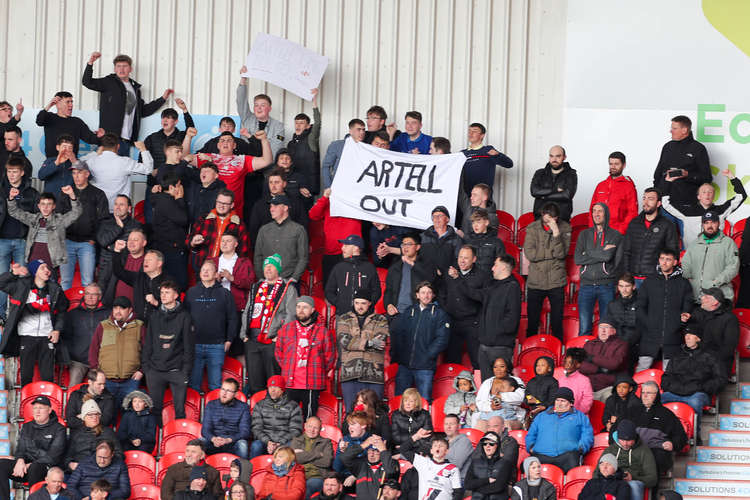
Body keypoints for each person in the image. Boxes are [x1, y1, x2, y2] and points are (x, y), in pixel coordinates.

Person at [83, 52, 171, 154]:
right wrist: (90, 63)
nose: (121, 69)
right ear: (115, 69)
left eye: (125, 66)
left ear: (130, 69)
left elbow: (143, 111)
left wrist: (163, 99)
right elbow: (87, 82)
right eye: (118, 66)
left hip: (126, 140)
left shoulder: (135, 88)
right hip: (109, 140)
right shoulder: (108, 82)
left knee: (123, 170)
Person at [0, 260, 68, 384]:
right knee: (26, 377)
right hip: (26, 337)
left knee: (48, 378)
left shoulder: (55, 289)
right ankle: (25, 403)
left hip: (46, 337)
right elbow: (1, 283)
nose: (47, 270)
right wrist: (13, 274)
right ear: (34, 272)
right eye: (42, 268)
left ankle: (46, 403)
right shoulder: (21, 286)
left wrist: (57, 329)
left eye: (47, 267)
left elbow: (63, 310)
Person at [456, 255, 521, 380]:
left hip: (500, 346)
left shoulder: (512, 287)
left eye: (495, 265)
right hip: (485, 345)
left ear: (503, 268)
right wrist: (459, 279)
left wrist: (494, 332)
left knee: (500, 384)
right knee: (486, 384)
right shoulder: (492, 285)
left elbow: (512, 318)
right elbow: (475, 294)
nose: (492, 268)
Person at [241, 253, 296, 394]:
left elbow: (291, 314)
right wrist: (244, 334)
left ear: (278, 269)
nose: (268, 269)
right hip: (252, 339)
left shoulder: (287, 288)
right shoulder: (256, 287)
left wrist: (280, 336)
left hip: (272, 340)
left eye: (271, 266)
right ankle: (257, 411)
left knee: (273, 380)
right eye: (266, 266)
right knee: (254, 380)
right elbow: (247, 310)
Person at [142, 280, 194, 425]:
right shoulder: (154, 315)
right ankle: (156, 444)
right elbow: (148, 343)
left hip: (176, 370)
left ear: (176, 295)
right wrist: (147, 369)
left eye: (167, 292)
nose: (163, 296)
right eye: (162, 293)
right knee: (155, 411)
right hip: (155, 370)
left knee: (179, 411)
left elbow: (189, 347)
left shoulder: (185, 317)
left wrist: (185, 371)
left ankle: (180, 444)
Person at [661, 324, 725, 442]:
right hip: (676, 391)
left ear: (698, 338)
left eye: (691, 335)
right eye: (686, 335)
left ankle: (695, 436)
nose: (687, 338)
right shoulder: (677, 355)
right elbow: (666, 378)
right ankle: (660, 435)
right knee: (656, 400)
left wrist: (702, 387)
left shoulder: (710, 356)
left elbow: (720, 379)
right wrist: (674, 387)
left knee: (695, 402)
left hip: (697, 393)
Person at [275, 296, 336, 417]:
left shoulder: (322, 331)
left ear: (312, 310)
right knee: (289, 418)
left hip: (312, 383)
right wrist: (288, 367)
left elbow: (330, 357)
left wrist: (318, 370)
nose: (301, 310)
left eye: (305, 307)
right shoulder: (286, 329)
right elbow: (278, 352)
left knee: (309, 418)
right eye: (298, 307)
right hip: (290, 382)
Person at [190, 129, 273, 217]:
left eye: (229, 140)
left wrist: (264, 140)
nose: (225, 143)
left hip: (234, 213)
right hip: (211, 211)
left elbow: (267, 161)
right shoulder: (208, 158)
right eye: (222, 140)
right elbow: (184, 158)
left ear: (234, 145)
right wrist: (188, 137)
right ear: (218, 145)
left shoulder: (243, 160)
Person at [635, 248, 694, 371]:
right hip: (650, 336)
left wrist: (682, 320)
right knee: (642, 369)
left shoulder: (683, 283)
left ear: (675, 262)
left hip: (673, 335)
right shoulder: (649, 281)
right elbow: (640, 306)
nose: (664, 262)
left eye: (668, 259)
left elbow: (688, 305)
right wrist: (648, 323)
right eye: (662, 259)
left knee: (670, 372)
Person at [390, 281, 450, 400]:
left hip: (425, 366)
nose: (426, 295)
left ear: (433, 295)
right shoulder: (409, 311)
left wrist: (427, 355)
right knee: (400, 400)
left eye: (429, 292)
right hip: (405, 365)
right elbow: (399, 334)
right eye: (423, 292)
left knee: (424, 401)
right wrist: (401, 354)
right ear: (417, 295)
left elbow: (442, 339)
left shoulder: (440, 314)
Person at [0, 396, 67, 500]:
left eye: (41, 408)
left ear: (49, 410)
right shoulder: (27, 427)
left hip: (47, 469)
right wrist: (20, 460)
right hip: (25, 468)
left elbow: (53, 457)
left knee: (35, 468)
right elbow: (20, 449)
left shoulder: (59, 429)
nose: (37, 411)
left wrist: (30, 464)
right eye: (35, 408)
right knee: (1, 464)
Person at [184, 261, 237, 391]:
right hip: (195, 345)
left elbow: (232, 318)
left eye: (209, 270)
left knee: (215, 385)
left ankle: (217, 411)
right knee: (193, 385)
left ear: (215, 274)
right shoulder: (191, 292)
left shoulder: (225, 294)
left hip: (217, 345)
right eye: (203, 270)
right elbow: (184, 317)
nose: (205, 272)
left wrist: (229, 339)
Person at [56, 160, 109, 290]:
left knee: (88, 282)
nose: (76, 176)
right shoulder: (65, 192)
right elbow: (58, 216)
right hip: (67, 241)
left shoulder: (98, 194)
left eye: (79, 173)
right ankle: (63, 310)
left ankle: (86, 311)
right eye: (74, 173)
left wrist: (94, 239)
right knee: (65, 282)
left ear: (87, 174)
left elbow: (104, 220)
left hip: (87, 243)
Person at [8, 186, 81, 276]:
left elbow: (76, 212)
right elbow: (14, 212)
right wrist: (11, 198)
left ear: (54, 206)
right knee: (32, 287)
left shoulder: (59, 220)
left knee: (50, 287)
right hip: (32, 261)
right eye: (43, 204)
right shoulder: (33, 219)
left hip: (51, 262)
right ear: (38, 206)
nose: (45, 207)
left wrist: (72, 195)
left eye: (49, 204)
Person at [523, 201, 571, 341]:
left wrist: (556, 233)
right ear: (543, 215)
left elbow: (561, 254)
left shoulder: (565, 228)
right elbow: (530, 254)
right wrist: (551, 253)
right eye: (548, 218)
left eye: (554, 219)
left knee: (557, 322)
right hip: (536, 281)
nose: (551, 221)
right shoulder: (532, 228)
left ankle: (558, 350)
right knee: (532, 322)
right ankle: (529, 347)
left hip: (556, 281)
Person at [88, 296, 145, 410]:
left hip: (131, 380)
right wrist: (96, 371)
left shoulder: (139, 326)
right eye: (115, 308)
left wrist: (141, 371)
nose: (118, 311)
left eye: (122, 308)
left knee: (129, 414)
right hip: (106, 380)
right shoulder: (103, 326)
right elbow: (93, 350)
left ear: (130, 310)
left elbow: (147, 351)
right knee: (106, 414)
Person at [0, 156, 39, 323]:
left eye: (15, 171)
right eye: (9, 171)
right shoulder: (1, 189)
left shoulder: (31, 192)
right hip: (2, 239)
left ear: (22, 172)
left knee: (23, 279)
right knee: (2, 279)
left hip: (23, 240)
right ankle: (1, 316)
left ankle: (20, 314)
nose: (11, 175)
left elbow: (36, 217)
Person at [664, 170, 747, 248]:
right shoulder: (686, 212)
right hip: (692, 255)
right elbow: (665, 203)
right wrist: (667, 182)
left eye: (710, 192)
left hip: (716, 255)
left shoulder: (721, 211)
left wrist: (732, 178)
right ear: (698, 196)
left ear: (714, 196)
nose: (707, 194)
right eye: (704, 192)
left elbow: (741, 196)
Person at [575, 202, 623, 335]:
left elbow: (612, 258)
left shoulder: (615, 235)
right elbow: (578, 259)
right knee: (584, 328)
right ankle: (584, 354)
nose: (596, 214)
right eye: (594, 211)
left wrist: (589, 253)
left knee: (606, 327)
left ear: (606, 213)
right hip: (586, 286)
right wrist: (602, 252)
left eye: (600, 211)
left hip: (606, 285)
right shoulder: (584, 235)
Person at [337, 293, 389, 408]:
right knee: (351, 413)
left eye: (363, 303)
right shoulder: (344, 319)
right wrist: (369, 343)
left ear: (369, 303)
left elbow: (380, 341)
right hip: (350, 374)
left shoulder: (381, 319)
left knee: (374, 412)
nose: (360, 306)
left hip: (374, 375)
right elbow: (345, 341)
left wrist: (355, 342)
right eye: (357, 303)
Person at [441, 245, 490, 367]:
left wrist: (458, 279)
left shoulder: (482, 276)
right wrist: (446, 309)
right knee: (451, 359)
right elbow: (442, 294)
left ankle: (480, 385)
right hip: (452, 321)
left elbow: (481, 297)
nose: (462, 261)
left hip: (472, 323)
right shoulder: (449, 272)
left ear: (474, 259)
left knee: (477, 360)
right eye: (460, 257)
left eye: (466, 258)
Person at [525, 387, 594, 473]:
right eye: (557, 400)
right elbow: (531, 434)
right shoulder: (542, 416)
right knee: (525, 466)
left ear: (571, 403)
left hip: (567, 456)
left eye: (563, 401)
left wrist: (581, 448)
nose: (559, 404)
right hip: (541, 454)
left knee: (573, 462)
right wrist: (531, 447)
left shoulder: (580, 417)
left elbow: (587, 435)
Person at [653, 115, 711, 214]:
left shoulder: (698, 148)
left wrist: (687, 174)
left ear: (684, 130)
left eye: (674, 128)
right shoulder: (667, 147)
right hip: (664, 202)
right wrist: (656, 196)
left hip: (687, 204)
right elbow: (657, 174)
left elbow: (707, 178)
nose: (671, 131)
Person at [622, 187, 680, 285]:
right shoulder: (634, 223)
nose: (646, 202)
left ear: (658, 203)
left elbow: (672, 252)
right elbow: (626, 251)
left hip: (655, 280)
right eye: (644, 198)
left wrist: (662, 275)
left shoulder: (667, 225)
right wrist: (626, 274)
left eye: (651, 199)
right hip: (633, 280)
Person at [188, 189, 251, 276]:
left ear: (232, 205)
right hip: (203, 270)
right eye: (219, 202)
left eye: (225, 204)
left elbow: (243, 252)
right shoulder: (203, 219)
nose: (221, 206)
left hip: (226, 272)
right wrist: (193, 242)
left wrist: (235, 272)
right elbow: (188, 240)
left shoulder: (239, 224)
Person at [81, 133, 154, 209]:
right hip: (118, 210)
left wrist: (95, 153)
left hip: (96, 207)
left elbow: (76, 162)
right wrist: (143, 149)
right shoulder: (125, 162)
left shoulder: (91, 161)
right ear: (118, 146)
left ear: (102, 147)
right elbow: (148, 169)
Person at [630, 381, 687, 476]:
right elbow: (616, 430)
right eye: (643, 393)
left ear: (656, 395)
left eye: (648, 393)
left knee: (654, 460)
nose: (645, 396)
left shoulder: (667, 414)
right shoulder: (632, 411)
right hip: (633, 449)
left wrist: (673, 444)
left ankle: (651, 489)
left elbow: (681, 436)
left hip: (656, 451)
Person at [682, 210, 740, 301]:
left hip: (719, 298)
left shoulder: (728, 243)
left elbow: (733, 267)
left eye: (713, 222)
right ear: (702, 225)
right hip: (696, 297)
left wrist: (716, 282)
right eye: (706, 223)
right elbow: (685, 264)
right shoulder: (695, 244)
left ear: (718, 223)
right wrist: (689, 280)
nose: (710, 226)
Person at [309, 189, 362, 285]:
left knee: (350, 289)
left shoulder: (356, 200)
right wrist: (324, 197)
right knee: (329, 289)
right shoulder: (329, 201)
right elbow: (313, 215)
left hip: (352, 253)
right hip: (331, 252)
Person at [96, 195, 143, 305]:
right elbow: (102, 241)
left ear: (129, 208)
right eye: (116, 204)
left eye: (122, 204)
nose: (117, 207)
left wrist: (110, 247)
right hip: (105, 264)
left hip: (125, 265)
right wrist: (119, 227)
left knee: (119, 297)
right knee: (102, 296)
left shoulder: (136, 225)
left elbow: (131, 246)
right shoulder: (105, 222)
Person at [254, 194, 309, 283]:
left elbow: (303, 258)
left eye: (275, 206)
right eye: (271, 206)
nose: (271, 209)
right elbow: (257, 256)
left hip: (289, 282)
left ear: (285, 208)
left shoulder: (298, 230)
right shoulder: (264, 230)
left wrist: (294, 278)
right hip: (267, 282)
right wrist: (260, 277)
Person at [597, 419, 657, 500]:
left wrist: (633, 477)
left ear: (634, 438)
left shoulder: (644, 451)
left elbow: (652, 479)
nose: (625, 443)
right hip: (612, 481)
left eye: (629, 440)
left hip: (633, 482)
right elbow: (596, 473)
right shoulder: (610, 450)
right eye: (622, 440)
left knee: (633, 486)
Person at [247, 168, 308, 246]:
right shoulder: (260, 204)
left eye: (277, 182)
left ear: (284, 184)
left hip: (291, 247)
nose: (273, 186)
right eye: (271, 182)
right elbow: (254, 230)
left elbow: (303, 225)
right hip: (267, 248)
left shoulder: (296, 202)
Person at [383, 233, 437, 320]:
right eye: (403, 244)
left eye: (409, 244)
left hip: (418, 314)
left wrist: (413, 264)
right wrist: (388, 305)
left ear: (417, 247)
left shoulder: (426, 264)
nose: (405, 247)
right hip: (397, 313)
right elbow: (388, 290)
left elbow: (431, 279)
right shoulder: (395, 267)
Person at [150, 173, 190, 291]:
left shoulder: (160, 198)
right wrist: (180, 199)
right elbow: (183, 219)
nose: (181, 189)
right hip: (172, 249)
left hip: (166, 247)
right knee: (178, 283)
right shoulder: (166, 201)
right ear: (172, 188)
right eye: (179, 186)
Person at [113, 245, 172, 320]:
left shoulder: (168, 282)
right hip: (138, 324)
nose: (145, 262)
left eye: (149, 260)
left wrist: (156, 303)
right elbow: (118, 271)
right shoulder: (138, 277)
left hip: (159, 324)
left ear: (159, 264)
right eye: (144, 260)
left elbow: (174, 307)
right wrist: (117, 251)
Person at [325, 234, 380, 315]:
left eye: (346, 245)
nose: (342, 248)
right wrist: (340, 304)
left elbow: (377, 291)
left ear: (356, 248)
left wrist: (366, 306)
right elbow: (329, 291)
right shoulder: (338, 267)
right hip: (343, 315)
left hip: (366, 316)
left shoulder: (369, 268)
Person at [691, 287, 739, 378]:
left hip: (717, 366)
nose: (702, 298)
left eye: (707, 297)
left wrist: (706, 360)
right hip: (697, 362)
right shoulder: (698, 313)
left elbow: (728, 349)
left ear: (715, 302)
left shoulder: (730, 319)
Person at [250, 375, 304, 458]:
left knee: (291, 447)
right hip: (265, 442)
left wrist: (279, 443)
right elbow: (256, 428)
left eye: (276, 387)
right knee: (256, 446)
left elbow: (296, 430)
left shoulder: (293, 406)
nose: (272, 390)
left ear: (282, 389)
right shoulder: (260, 405)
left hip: (285, 441)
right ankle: (254, 470)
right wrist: (268, 442)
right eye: (270, 387)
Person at [35, 92, 101, 158]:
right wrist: (49, 105)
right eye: (67, 102)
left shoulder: (77, 122)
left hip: (71, 162)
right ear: (58, 105)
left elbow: (90, 138)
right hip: (52, 161)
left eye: (71, 102)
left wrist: (101, 137)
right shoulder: (49, 117)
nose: (71, 105)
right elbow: (39, 121)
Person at [399, 433, 464, 500]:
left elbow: (458, 493)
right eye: (435, 445)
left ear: (446, 451)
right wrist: (416, 436)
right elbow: (403, 449)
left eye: (441, 446)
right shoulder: (422, 462)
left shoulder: (453, 469)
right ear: (431, 450)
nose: (438, 447)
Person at [237, 71, 286, 155]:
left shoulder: (278, 127)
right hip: (247, 163)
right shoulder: (247, 118)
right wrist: (243, 79)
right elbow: (241, 101)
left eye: (263, 105)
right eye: (256, 105)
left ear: (269, 108)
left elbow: (275, 149)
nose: (259, 108)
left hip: (267, 164)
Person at [579, 319, 630, 402]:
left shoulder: (621, 345)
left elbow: (614, 364)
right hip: (588, 387)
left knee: (610, 400)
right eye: (600, 327)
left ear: (614, 330)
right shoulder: (589, 344)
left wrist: (591, 358)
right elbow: (580, 365)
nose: (603, 330)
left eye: (606, 327)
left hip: (608, 388)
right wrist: (600, 369)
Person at [588, 152, 638, 234]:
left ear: (624, 165)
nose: (613, 167)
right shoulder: (601, 185)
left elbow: (632, 212)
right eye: (611, 164)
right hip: (598, 232)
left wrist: (620, 231)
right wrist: (592, 229)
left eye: (616, 164)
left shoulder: (629, 186)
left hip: (617, 233)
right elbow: (592, 209)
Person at [64, 400, 121, 472]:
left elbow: (119, 454)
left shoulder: (108, 432)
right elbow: (68, 456)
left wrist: (104, 462)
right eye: (90, 415)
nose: (94, 417)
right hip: (80, 470)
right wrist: (70, 464)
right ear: (84, 417)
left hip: (101, 471)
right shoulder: (76, 433)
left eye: (96, 414)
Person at [202, 377, 251, 458]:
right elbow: (205, 430)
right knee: (199, 442)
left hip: (232, 442)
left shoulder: (243, 407)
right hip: (214, 442)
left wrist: (228, 440)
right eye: (223, 389)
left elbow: (245, 432)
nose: (224, 393)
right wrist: (213, 439)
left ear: (235, 394)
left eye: (228, 391)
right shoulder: (211, 405)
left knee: (242, 444)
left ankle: (242, 469)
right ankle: (198, 470)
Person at [460, 122, 513, 196]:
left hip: (483, 196)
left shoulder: (488, 150)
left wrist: (498, 155)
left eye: (474, 131)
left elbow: (509, 164)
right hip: (464, 197)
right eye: (469, 131)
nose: (470, 133)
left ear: (482, 135)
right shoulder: (462, 154)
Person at [474, 357, 525, 431]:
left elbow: (521, 397)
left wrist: (501, 396)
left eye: (502, 366)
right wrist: (491, 407)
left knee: (505, 426)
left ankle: (506, 442)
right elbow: (479, 402)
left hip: (510, 417)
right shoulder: (487, 382)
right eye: (495, 367)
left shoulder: (516, 380)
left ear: (507, 368)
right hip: (490, 416)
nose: (498, 369)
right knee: (480, 425)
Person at [286, 89, 321, 195]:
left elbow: (318, 122)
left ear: (308, 126)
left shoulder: (310, 138)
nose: (298, 125)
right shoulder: (290, 144)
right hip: (293, 187)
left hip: (308, 188)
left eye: (301, 123)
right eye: (296, 123)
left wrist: (314, 100)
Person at [530, 145, 578, 221]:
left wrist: (543, 196)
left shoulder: (571, 174)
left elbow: (567, 195)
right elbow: (534, 191)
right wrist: (555, 190)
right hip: (540, 219)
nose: (554, 159)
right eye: (551, 156)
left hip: (562, 220)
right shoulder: (540, 173)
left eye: (558, 156)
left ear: (564, 157)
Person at [290, 416, 334, 498]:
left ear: (320, 429)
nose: (312, 430)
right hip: (297, 475)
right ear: (305, 426)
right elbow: (295, 458)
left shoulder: (326, 442)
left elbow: (327, 462)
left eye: (315, 428)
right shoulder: (296, 440)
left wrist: (304, 455)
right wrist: (318, 455)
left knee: (308, 486)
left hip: (317, 476)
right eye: (310, 426)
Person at [143, 99, 196, 167]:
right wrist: (150, 172)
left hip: (176, 174)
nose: (165, 120)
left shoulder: (182, 135)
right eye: (163, 118)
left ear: (175, 121)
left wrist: (184, 110)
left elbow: (191, 129)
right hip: (156, 175)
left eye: (168, 118)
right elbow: (144, 156)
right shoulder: (152, 137)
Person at [464, 431, 514, 500]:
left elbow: (498, 487)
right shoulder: (475, 462)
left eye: (491, 443)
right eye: (485, 443)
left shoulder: (505, 463)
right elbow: (467, 484)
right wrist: (487, 480)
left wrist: (476, 487)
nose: (487, 446)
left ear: (497, 445)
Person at [420, 205, 463, 281]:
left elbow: (459, 259)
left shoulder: (456, 239)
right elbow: (418, 258)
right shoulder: (422, 237)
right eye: (434, 216)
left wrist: (447, 271)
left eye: (440, 216)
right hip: (425, 280)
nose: (436, 219)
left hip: (447, 281)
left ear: (447, 219)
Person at [321, 118, 366, 189]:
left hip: (356, 189)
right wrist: (328, 187)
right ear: (350, 131)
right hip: (338, 188)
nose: (362, 132)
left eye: (363, 130)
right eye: (359, 129)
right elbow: (326, 167)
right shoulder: (337, 145)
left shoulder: (366, 148)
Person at [390, 388, 433, 454]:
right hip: (400, 450)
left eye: (411, 401)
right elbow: (396, 438)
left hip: (418, 450)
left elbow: (427, 438)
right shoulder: (396, 415)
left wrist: (406, 445)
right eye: (405, 400)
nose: (408, 404)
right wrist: (416, 436)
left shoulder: (425, 415)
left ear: (416, 403)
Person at [606, 274, 640, 355]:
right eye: (621, 286)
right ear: (618, 287)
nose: (624, 290)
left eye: (627, 286)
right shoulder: (612, 304)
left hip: (634, 344)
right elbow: (610, 325)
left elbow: (640, 328)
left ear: (634, 287)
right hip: (616, 342)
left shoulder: (641, 303)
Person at [556, 347, 594, 414]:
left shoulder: (584, 380)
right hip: (560, 414)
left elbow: (587, 401)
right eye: (565, 362)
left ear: (578, 365)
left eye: (570, 363)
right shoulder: (560, 378)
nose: (567, 365)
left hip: (577, 415)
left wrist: (575, 413)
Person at [524, 356, 558, 423]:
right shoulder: (531, 381)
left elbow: (553, 398)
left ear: (549, 368)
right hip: (534, 412)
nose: (539, 367)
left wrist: (545, 406)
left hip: (548, 412)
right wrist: (528, 401)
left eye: (542, 365)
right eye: (537, 365)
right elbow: (526, 395)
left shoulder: (553, 382)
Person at [441, 414, 474, 481]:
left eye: (451, 424)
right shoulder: (443, 441)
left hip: (459, 481)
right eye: (446, 424)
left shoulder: (464, 441)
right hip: (444, 479)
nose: (448, 427)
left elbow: (455, 466)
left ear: (459, 426)